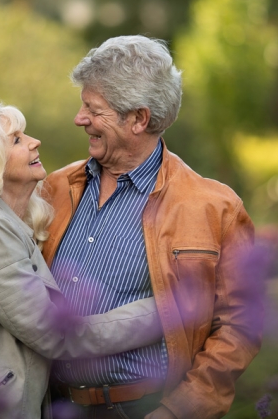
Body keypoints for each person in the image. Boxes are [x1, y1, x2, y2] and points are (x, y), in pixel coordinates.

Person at [42, 36, 262, 419]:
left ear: (139, 119)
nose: (79, 118)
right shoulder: (54, 189)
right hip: (51, 406)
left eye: (93, 109)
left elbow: (239, 328)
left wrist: (178, 412)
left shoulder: (215, 207)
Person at [0, 103, 164, 419]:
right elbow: (54, 333)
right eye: (15, 139)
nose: (33, 141)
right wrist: (163, 312)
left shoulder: (8, 222)